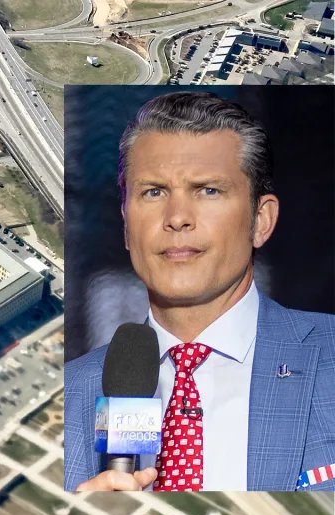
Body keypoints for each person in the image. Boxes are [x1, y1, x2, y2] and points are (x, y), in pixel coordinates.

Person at [63, 92, 335, 492]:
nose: (177, 218)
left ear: (261, 221)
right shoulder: (71, 391)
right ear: (126, 225)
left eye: (208, 190)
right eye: (154, 192)